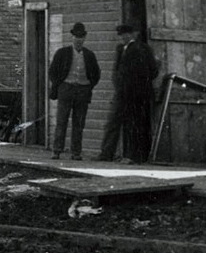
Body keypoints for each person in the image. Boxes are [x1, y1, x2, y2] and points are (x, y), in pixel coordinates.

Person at [102, 23, 159, 164]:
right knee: (113, 122)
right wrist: (118, 84)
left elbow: (153, 71)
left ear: (133, 34)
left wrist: (137, 85)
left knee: (134, 124)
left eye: (126, 34)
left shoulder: (142, 49)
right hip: (121, 93)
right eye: (121, 35)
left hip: (136, 94)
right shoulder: (120, 49)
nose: (123, 37)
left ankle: (133, 156)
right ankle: (106, 154)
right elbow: (117, 71)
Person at [48, 22, 100, 159]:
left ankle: (76, 152)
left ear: (84, 38)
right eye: (76, 36)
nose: (78, 39)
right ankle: (57, 150)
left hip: (83, 90)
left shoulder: (89, 55)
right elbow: (52, 71)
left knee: (79, 123)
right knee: (62, 121)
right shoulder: (62, 53)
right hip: (66, 89)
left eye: (81, 37)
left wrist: (88, 86)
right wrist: (59, 85)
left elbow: (96, 74)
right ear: (72, 37)